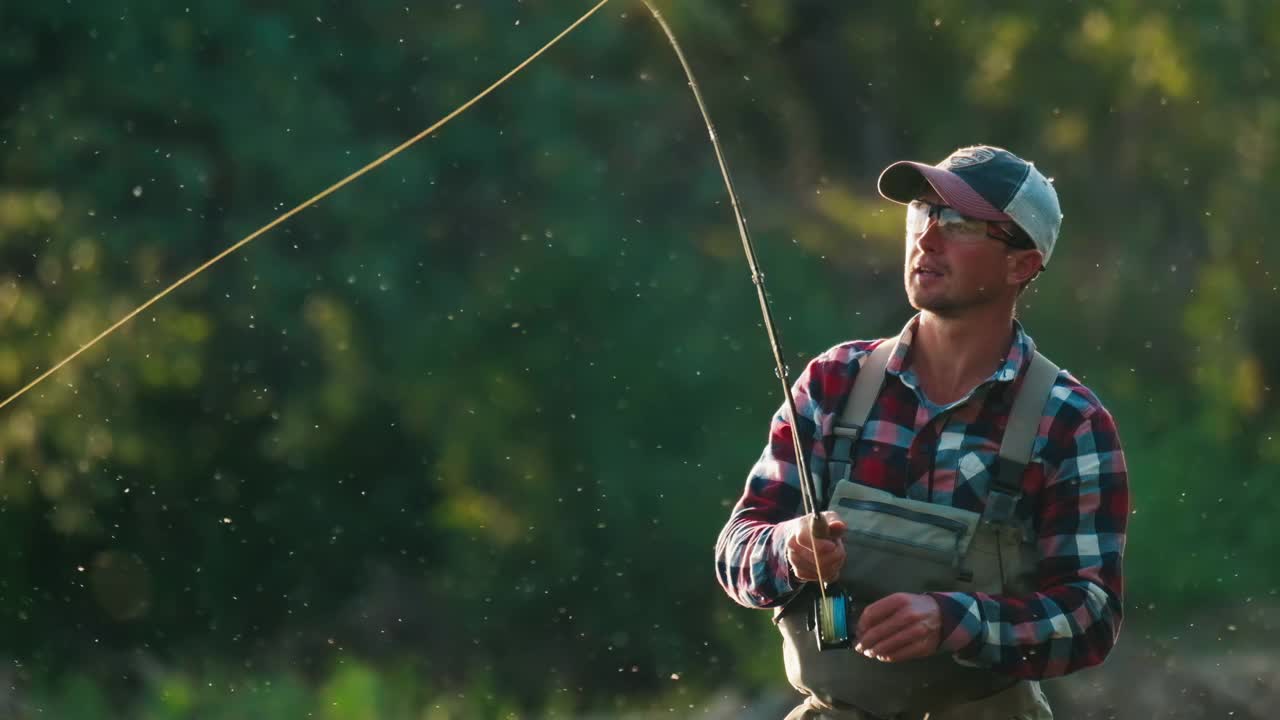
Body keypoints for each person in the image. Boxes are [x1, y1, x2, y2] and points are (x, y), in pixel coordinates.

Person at [714, 146, 1129, 719]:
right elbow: (736, 549)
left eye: (957, 222)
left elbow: (1091, 617)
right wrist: (788, 551)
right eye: (921, 213)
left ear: (1022, 265)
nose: (928, 238)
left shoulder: (1070, 423)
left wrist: (955, 621)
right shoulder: (833, 383)